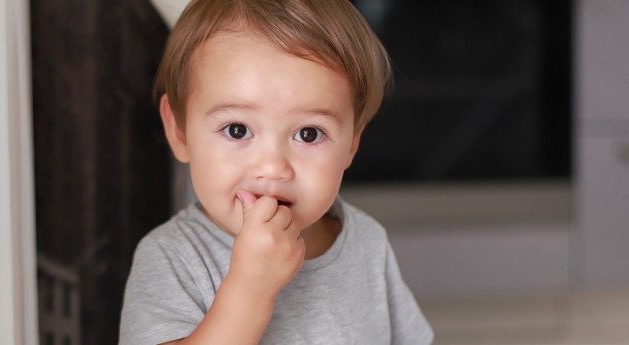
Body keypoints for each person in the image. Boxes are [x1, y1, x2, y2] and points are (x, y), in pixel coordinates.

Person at [119, 0, 433, 344]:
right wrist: (249, 290)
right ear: (179, 131)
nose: (272, 167)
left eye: (309, 134)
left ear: (351, 145)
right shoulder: (173, 257)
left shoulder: (367, 243)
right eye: (237, 129)